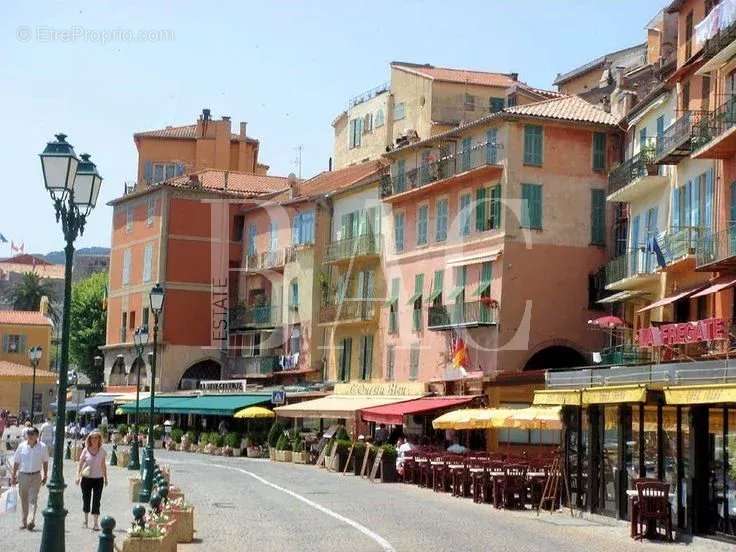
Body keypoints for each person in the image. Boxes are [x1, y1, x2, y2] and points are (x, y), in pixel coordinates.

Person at [11, 427, 49, 530]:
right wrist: (14, 475)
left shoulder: (42, 447)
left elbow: (45, 461)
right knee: (24, 499)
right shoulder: (21, 446)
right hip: (23, 475)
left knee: (33, 499)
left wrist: (45, 475)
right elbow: (16, 462)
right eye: (29, 434)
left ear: (37, 435)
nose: (30, 436)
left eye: (32, 434)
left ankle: (31, 520)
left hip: (36, 476)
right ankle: (24, 521)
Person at [76, 430, 108, 531]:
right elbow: (80, 464)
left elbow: (103, 465)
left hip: (98, 479)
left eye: (96, 438)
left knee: (96, 501)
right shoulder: (85, 450)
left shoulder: (102, 451)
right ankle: (85, 521)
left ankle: (95, 523)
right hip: (86, 479)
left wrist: (106, 478)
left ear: (99, 439)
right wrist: (77, 476)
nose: (94, 440)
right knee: (86, 498)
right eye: (92, 438)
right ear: (89, 439)